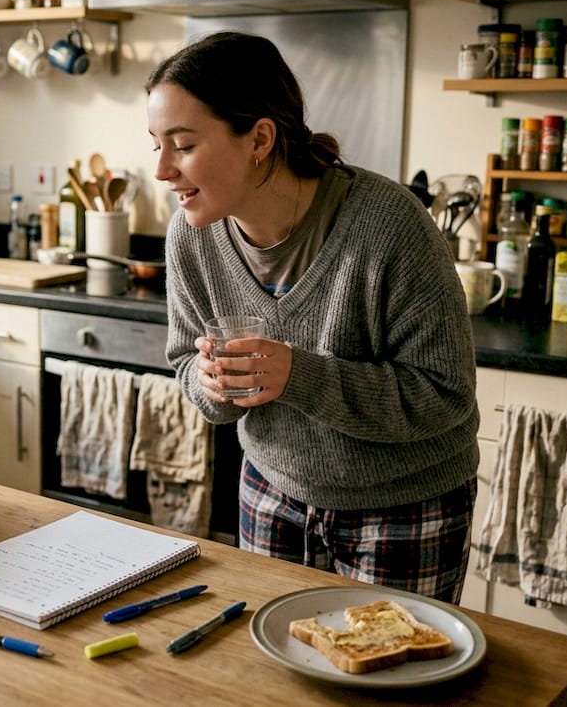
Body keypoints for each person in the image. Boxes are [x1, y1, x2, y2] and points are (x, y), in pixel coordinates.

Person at [146, 31, 479, 604]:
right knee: (271, 686)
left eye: (182, 144)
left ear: (260, 138)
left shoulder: (388, 226)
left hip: (404, 506)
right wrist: (209, 384)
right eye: (155, 144)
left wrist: (299, 375)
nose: (162, 170)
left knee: (387, 686)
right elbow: (185, 364)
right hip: (271, 490)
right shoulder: (190, 238)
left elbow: (444, 394)